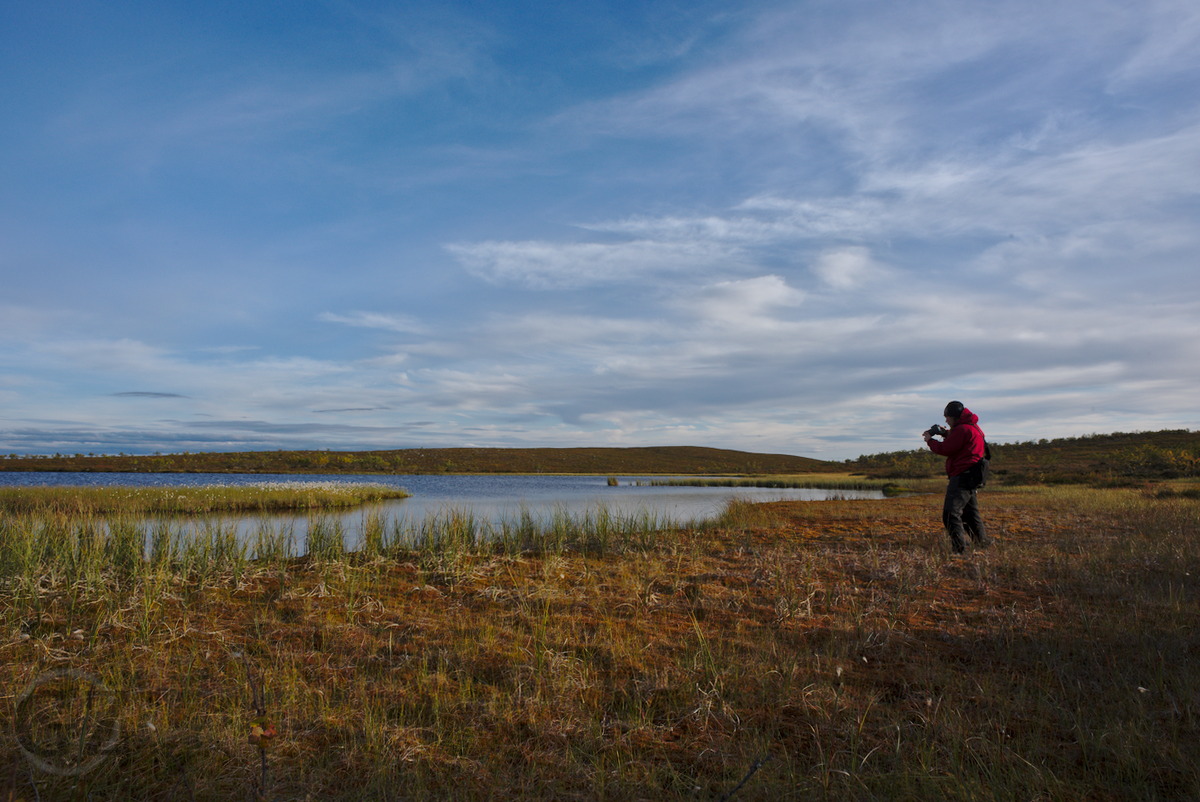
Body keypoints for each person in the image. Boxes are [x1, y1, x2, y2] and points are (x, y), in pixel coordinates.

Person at [924, 401, 989, 554]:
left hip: (962, 475)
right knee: (969, 514)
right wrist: (945, 433)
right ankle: (983, 543)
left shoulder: (963, 429)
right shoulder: (971, 427)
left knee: (950, 514)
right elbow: (960, 441)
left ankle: (960, 550)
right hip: (972, 475)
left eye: (947, 417)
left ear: (954, 417)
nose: (946, 420)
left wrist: (930, 441)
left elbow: (946, 448)